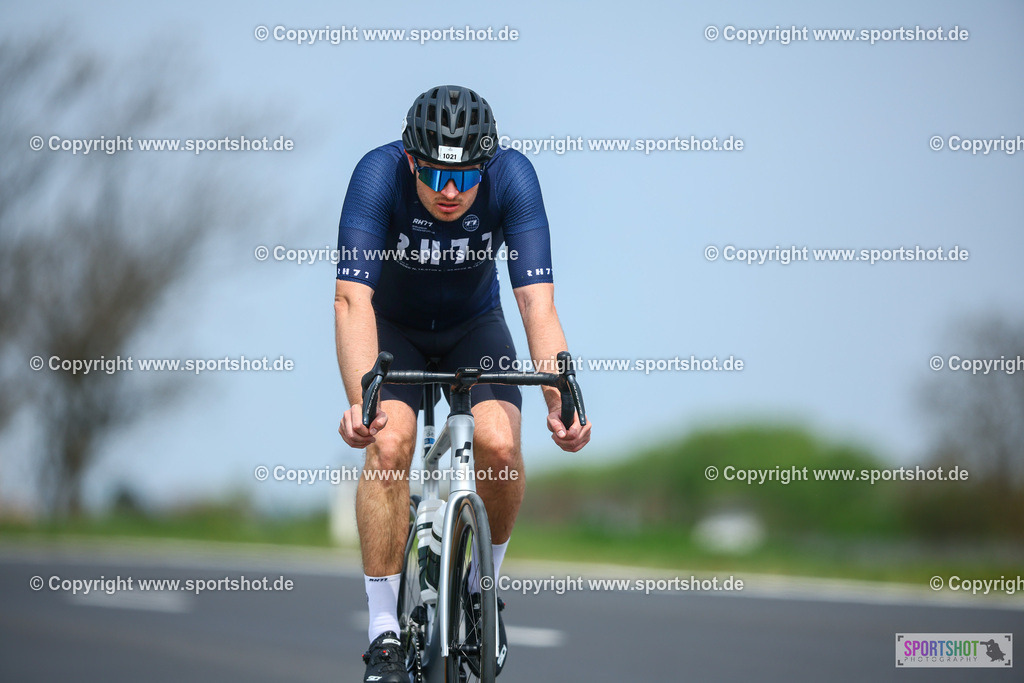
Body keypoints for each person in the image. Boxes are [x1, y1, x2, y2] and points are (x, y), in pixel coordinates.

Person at [334, 84, 591, 682]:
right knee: (391, 445)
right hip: (393, 331)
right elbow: (352, 301)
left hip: (476, 327)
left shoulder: (513, 177)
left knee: (500, 447)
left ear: (486, 165)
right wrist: (360, 399)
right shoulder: (377, 176)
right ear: (412, 160)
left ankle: (483, 589)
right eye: (437, 178)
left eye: (466, 179)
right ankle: (383, 636)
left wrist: (561, 398)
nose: (451, 193)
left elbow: (536, 305)